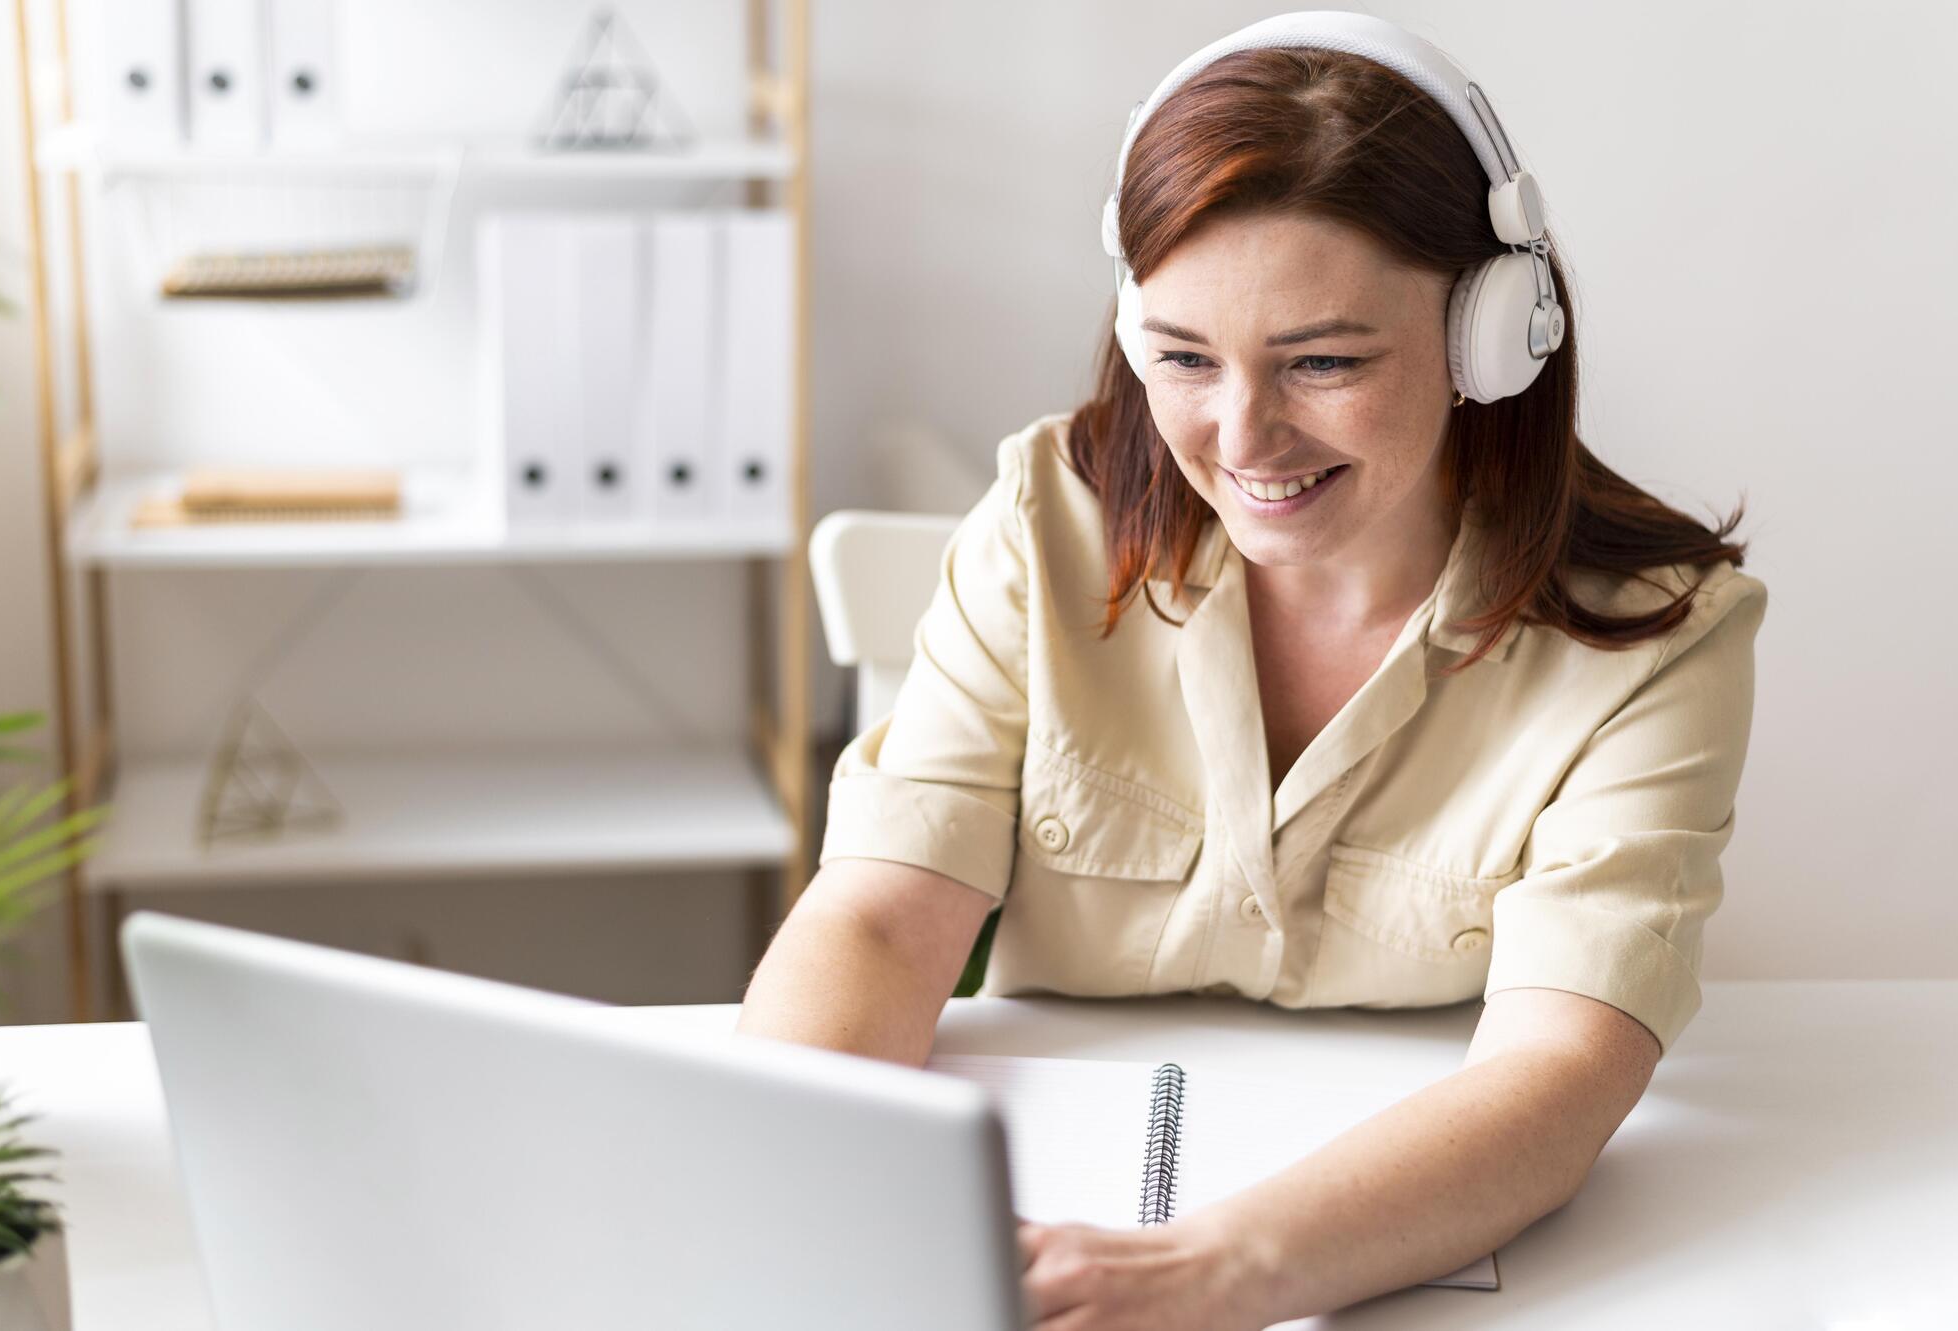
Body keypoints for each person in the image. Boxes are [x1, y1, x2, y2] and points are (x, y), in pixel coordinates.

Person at [738, 12, 1765, 1328]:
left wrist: (1212, 1273)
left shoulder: (1658, 637)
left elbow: (1560, 1074)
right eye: (1180, 359)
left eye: (1324, 362)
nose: (1240, 437)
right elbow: (879, 920)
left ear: (1487, 340)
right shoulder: (1044, 524)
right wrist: (792, 1187)